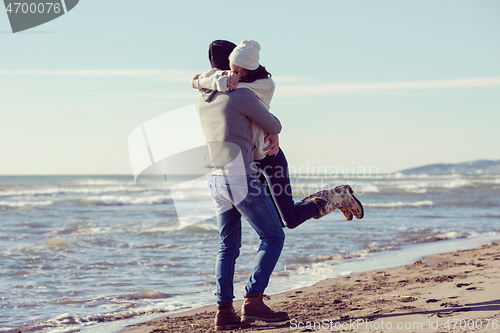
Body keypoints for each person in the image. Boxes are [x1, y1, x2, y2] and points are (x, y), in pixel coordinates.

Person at [193, 40, 364, 229]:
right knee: (276, 221)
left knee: (288, 220)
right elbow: (197, 81)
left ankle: (335, 197)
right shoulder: (222, 87)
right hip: (246, 161)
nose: (228, 75)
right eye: (224, 72)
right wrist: (214, 80)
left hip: (269, 154)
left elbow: (257, 111)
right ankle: (321, 201)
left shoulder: (255, 85)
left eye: (230, 71)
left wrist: (273, 130)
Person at [196, 41, 292, 331]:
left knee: (227, 247)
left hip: (214, 178)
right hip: (239, 175)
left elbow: (198, 79)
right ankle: (253, 300)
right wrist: (272, 131)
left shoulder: (203, 95)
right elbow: (273, 124)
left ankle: (224, 312)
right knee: (273, 237)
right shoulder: (243, 95)